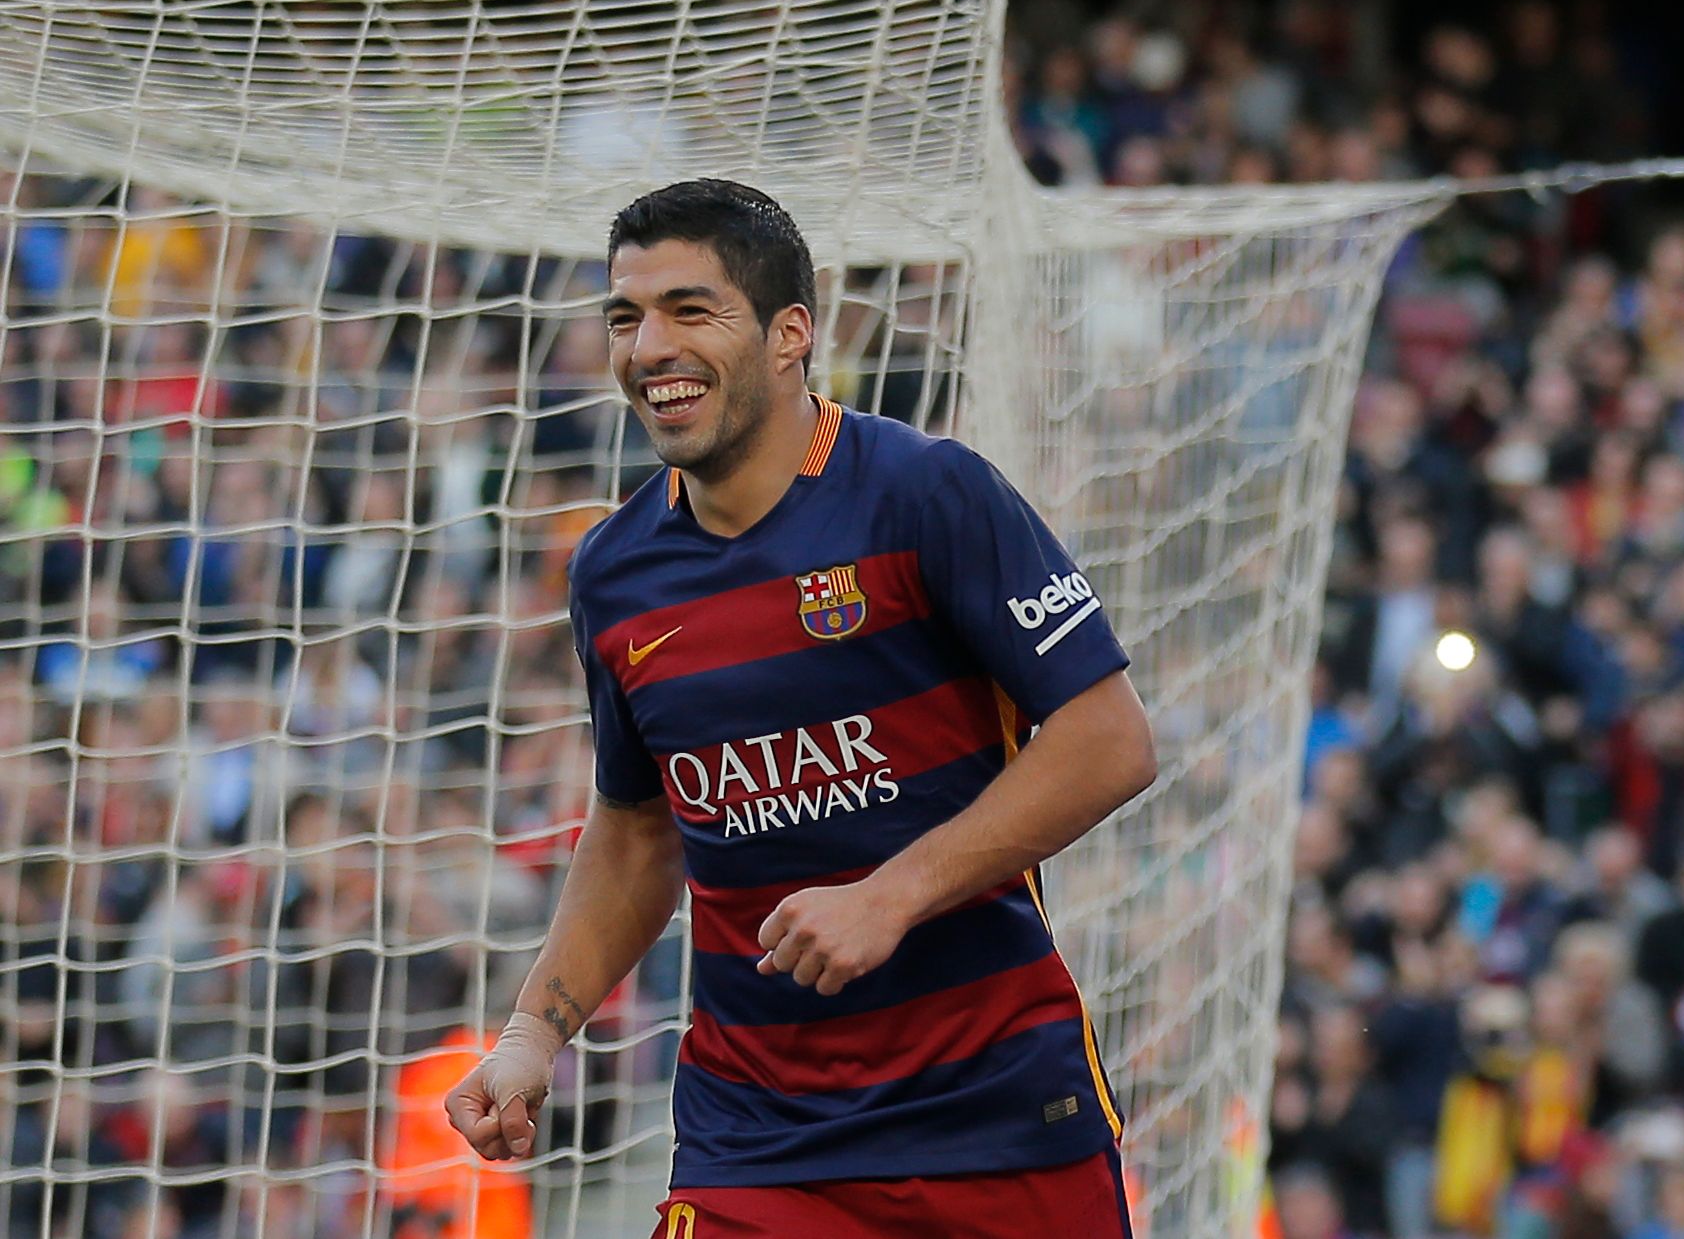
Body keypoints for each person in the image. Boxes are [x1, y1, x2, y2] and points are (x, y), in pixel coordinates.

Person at [442, 179, 1157, 1236]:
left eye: (690, 310)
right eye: (626, 317)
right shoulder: (613, 572)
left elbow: (1110, 737)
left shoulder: (927, 494)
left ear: (790, 334)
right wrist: (532, 1034)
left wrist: (889, 896)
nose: (649, 347)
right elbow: (638, 830)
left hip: (997, 1114)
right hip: (757, 1139)